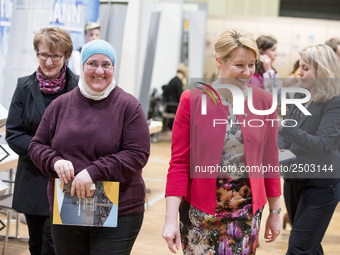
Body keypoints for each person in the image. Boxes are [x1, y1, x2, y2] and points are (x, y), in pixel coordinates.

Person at [162, 29, 281, 255]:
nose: (247, 72)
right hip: (200, 213)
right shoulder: (192, 101)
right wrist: (169, 220)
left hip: (247, 213)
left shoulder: (264, 101)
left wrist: (275, 213)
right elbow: (179, 164)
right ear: (219, 62)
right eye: (239, 65)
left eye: (252, 65)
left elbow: (270, 161)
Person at [28, 39, 150, 255]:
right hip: (69, 205)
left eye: (106, 65)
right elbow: (37, 145)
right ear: (82, 66)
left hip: (118, 210)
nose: (99, 71)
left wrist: (93, 172)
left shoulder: (128, 106)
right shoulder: (61, 105)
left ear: (113, 68)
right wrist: (55, 161)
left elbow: (137, 154)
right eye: (92, 63)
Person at [5, 27, 78, 255]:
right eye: (44, 54)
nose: (49, 62)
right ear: (37, 53)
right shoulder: (24, 87)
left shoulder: (79, 88)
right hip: (35, 177)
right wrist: (48, 156)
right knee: (37, 243)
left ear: (66, 56)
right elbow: (14, 134)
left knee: (57, 244)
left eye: (56, 56)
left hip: (70, 179)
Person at [278, 44, 340, 254]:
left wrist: (282, 129)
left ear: (321, 70)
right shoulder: (300, 94)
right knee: (309, 246)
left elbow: (322, 145)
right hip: (294, 179)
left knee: (299, 248)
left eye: (305, 68)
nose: (299, 72)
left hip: (321, 185)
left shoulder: (335, 101)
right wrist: (281, 153)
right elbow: (286, 133)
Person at [162, 63, 188, 130]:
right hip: (173, 106)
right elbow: (181, 96)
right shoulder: (178, 82)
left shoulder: (173, 80)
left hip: (169, 105)